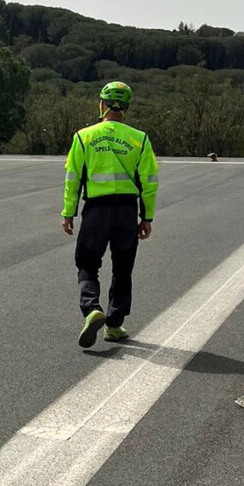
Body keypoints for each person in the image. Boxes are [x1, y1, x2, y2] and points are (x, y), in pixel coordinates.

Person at [61, 81, 159, 349]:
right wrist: (146, 217)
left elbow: (73, 178)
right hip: (127, 211)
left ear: (101, 104)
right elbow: (149, 181)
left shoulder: (84, 136)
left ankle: (92, 308)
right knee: (123, 265)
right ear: (127, 108)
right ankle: (114, 325)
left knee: (88, 263)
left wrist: (69, 212)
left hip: (96, 209)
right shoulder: (139, 139)